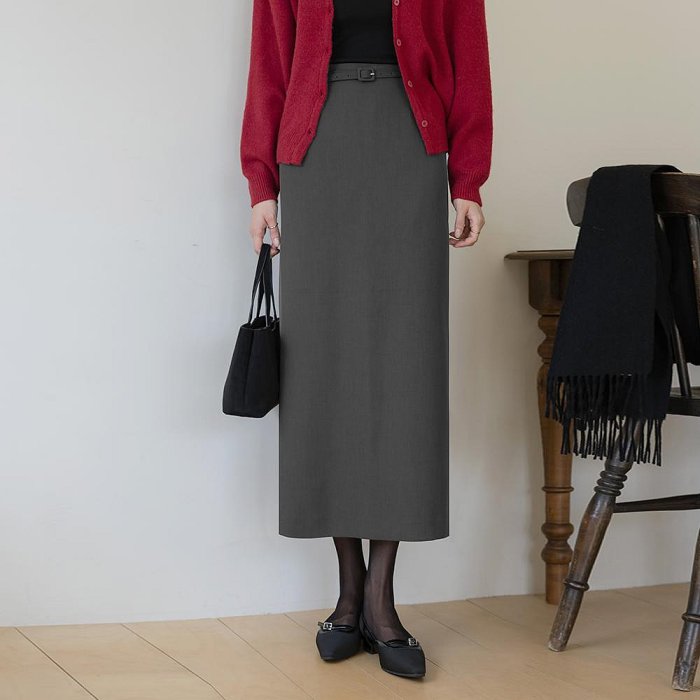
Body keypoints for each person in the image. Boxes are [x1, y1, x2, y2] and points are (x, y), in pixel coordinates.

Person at [240, 0, 493, 679]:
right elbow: (269, 66)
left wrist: (468, 179)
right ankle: (347, 591)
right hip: (316, 154)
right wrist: (262, 185)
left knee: (404, 365)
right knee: (322, 368)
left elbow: (470, 65)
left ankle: (379, 599)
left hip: (411, 151)